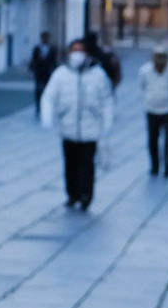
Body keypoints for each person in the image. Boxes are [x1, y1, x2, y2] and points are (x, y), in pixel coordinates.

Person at [39, 40, 115, 211]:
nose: (77, 54)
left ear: (87, 54)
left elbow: (107, 100)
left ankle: (86, 195)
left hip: (90, 129)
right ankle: (72, 194)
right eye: (74, 50)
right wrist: (47, 118)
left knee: (87, 163)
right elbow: (48, 96)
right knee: (71, 163)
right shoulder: (61, 74)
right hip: (68, 128)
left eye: (80, 50)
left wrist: (107, 124)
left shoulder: (98, 75)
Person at [140, 45, 168, 177]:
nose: (160, 61)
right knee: (153, 139)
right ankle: (155, 165)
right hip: (152, 109)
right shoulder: (145, 71)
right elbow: (142, 85)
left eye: (162, 58)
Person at [28, 32, 60, 117]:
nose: (46, 39)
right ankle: (38, 107)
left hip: (48, 72)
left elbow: (54, 61)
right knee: (38, 89)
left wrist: (55, 71)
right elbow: (33, 60)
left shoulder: (53, 48)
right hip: (39, 72)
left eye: (48, 38)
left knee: (48, 90)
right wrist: (32, 69)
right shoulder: (37, 48)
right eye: (45, 38)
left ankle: (47, 106)